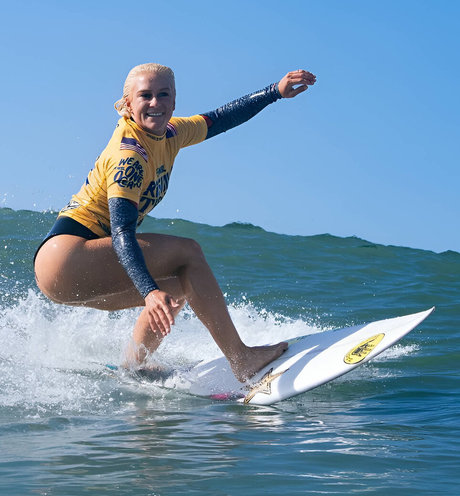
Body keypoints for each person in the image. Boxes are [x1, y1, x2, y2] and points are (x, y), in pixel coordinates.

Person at [34, 63, 316, 382]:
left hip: (71, 265)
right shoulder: (130, 156)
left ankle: (133, 366)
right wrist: (148, 291)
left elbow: (220, 119)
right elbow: (122, 232)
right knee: (188, 253)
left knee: (182, 285)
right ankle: (242, 359)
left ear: (174, 101)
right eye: (145, 95)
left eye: (163, 94)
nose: (155, 102)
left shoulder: (171, 133)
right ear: (128, 104)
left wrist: (273, 92)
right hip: (68, 257)